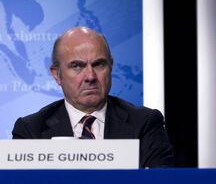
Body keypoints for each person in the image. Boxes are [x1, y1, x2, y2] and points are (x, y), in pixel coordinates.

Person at [12, 26, 174, 168]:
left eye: (99, 64)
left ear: (110, 67)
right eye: (77, 66)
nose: (90, 76)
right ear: (56, 74)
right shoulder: (31, 130)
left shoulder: (145, 123)